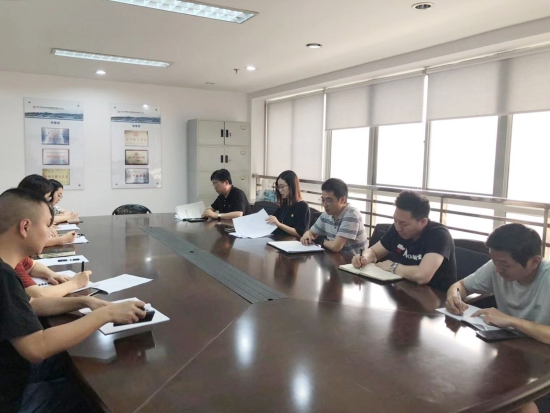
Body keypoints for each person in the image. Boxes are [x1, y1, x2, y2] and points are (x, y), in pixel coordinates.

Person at [0, 188, 146, 412]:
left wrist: (84, 302)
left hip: (14, 366)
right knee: (97, 396)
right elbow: (37, 347)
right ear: (25, 227)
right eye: (47, 225)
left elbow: (31, 306)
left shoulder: (6, 268)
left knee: (78, 364)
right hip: (12, 395)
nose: (51, 233)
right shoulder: (4, 276)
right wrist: (106, 314)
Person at [445, 223, 550, 413]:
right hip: (511, 354)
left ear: (534, 261)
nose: (498, 270)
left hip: (542, 362)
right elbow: (461, 285)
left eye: (505, 265)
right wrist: (454, 296)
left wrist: (512, 320)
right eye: (494, 262)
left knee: (516, 402)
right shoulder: (496, 266)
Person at [352, 190, 456, 291]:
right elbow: (374, 252)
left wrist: (392, 266)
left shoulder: (439, 235)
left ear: (423, 222)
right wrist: (364, 257)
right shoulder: (397, 228)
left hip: (435, 296)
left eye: (404, 223)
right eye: (395, 220)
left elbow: (422, 276)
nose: (398, 227)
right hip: (404, 289)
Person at [300, 178, 367, 254]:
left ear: (342, 200)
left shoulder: (352, 215)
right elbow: (310, 232)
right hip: (334, 258)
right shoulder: (326, 214)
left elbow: (335, 247)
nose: (325, 204)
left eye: (329, 200)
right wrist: (307, 236)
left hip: (352, 260)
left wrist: (320, 241)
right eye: (323, 200)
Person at [18, 175, 76, 246]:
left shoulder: (22, 208)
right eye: (46, 198)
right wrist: (64, 239)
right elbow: (35, 242)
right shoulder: (26, 214)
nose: (47, 202)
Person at [15, 256, 91, 298]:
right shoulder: (12, 263)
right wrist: (75, 283)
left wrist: (51, 274)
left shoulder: (14, 254)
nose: (49, 234)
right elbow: (38, 296)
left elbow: (32, 265)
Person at [265, 170, 310, 238]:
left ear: (292, 186)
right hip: (278, 240)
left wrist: (279, 224)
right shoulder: (284, 205)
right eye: (278, 187)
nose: (280, 190)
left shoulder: (302, 206)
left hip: (292, 242)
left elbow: (300, 233)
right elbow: (273, 220)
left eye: (282, 187)